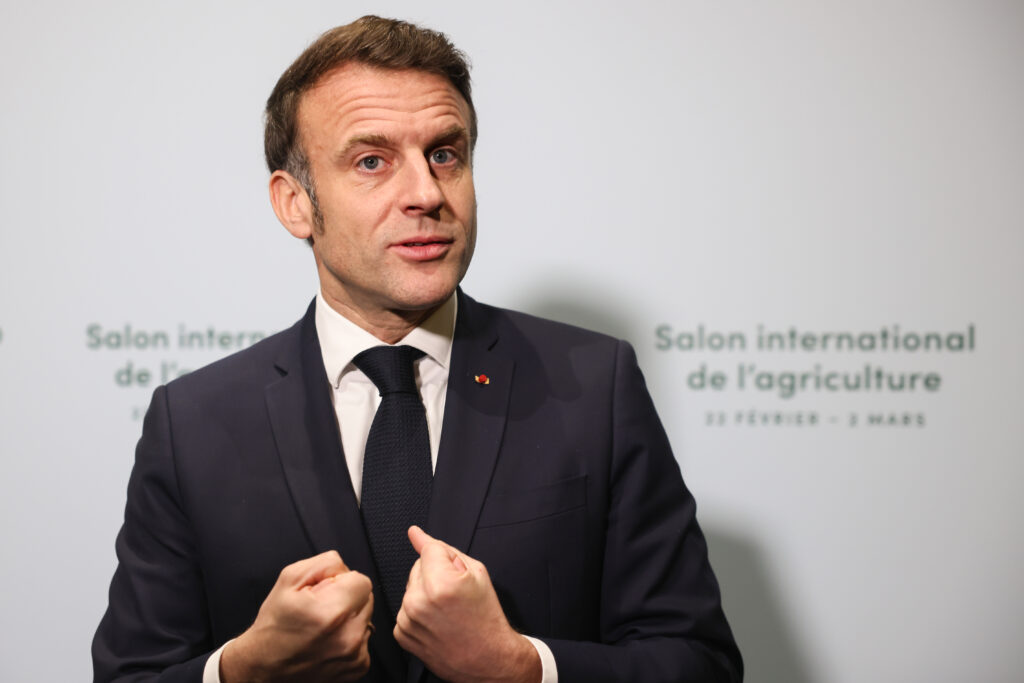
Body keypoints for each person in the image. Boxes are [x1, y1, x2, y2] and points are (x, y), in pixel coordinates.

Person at [93, 15, 742, 683]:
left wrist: (521, 667)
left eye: (445, 154)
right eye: (371, 161)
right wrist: (243, 670)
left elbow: (699, 661)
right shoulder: (191, 423)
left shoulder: (598, 387)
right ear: (295, 204)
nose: (427, 194)